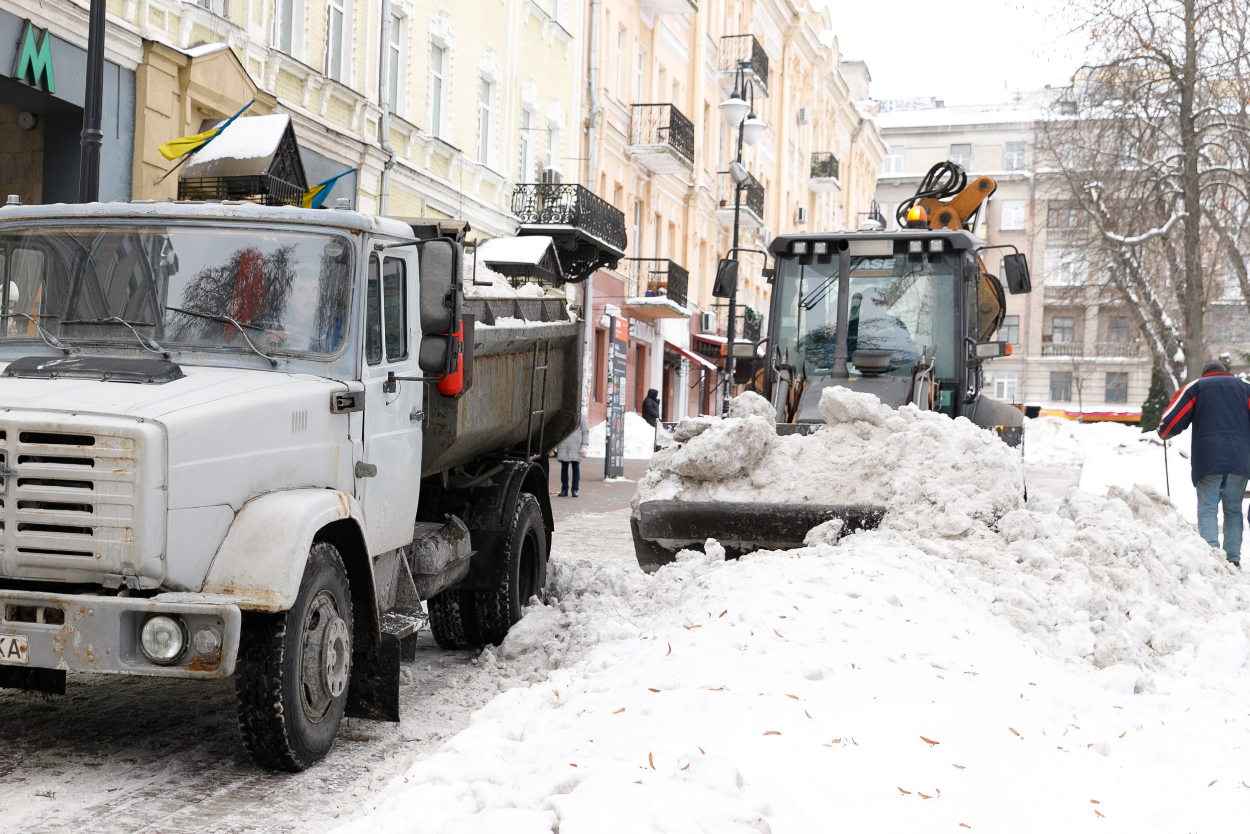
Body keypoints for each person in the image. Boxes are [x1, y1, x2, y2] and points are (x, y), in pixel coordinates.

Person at [1157, 361, 1250, 567]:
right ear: (1226, 373)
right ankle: (1232, 558)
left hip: (1209, 458)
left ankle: (1212, 558)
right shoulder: (1246, 389)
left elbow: (1172, 420)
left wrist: (1164, 432)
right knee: (1233, 509)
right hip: (1240, 459)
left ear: (1205, 373)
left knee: (1208, 507)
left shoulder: (1196, 387)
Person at [556, 414, 589, 498]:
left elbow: (585, 432)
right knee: (564, 468)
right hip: (563, 445)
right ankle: (564, 490)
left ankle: (575, 490)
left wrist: (584, 445)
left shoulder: (580, 416)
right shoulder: (564, 415)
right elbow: (558, 430)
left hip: (575, 446)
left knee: (575, 467)